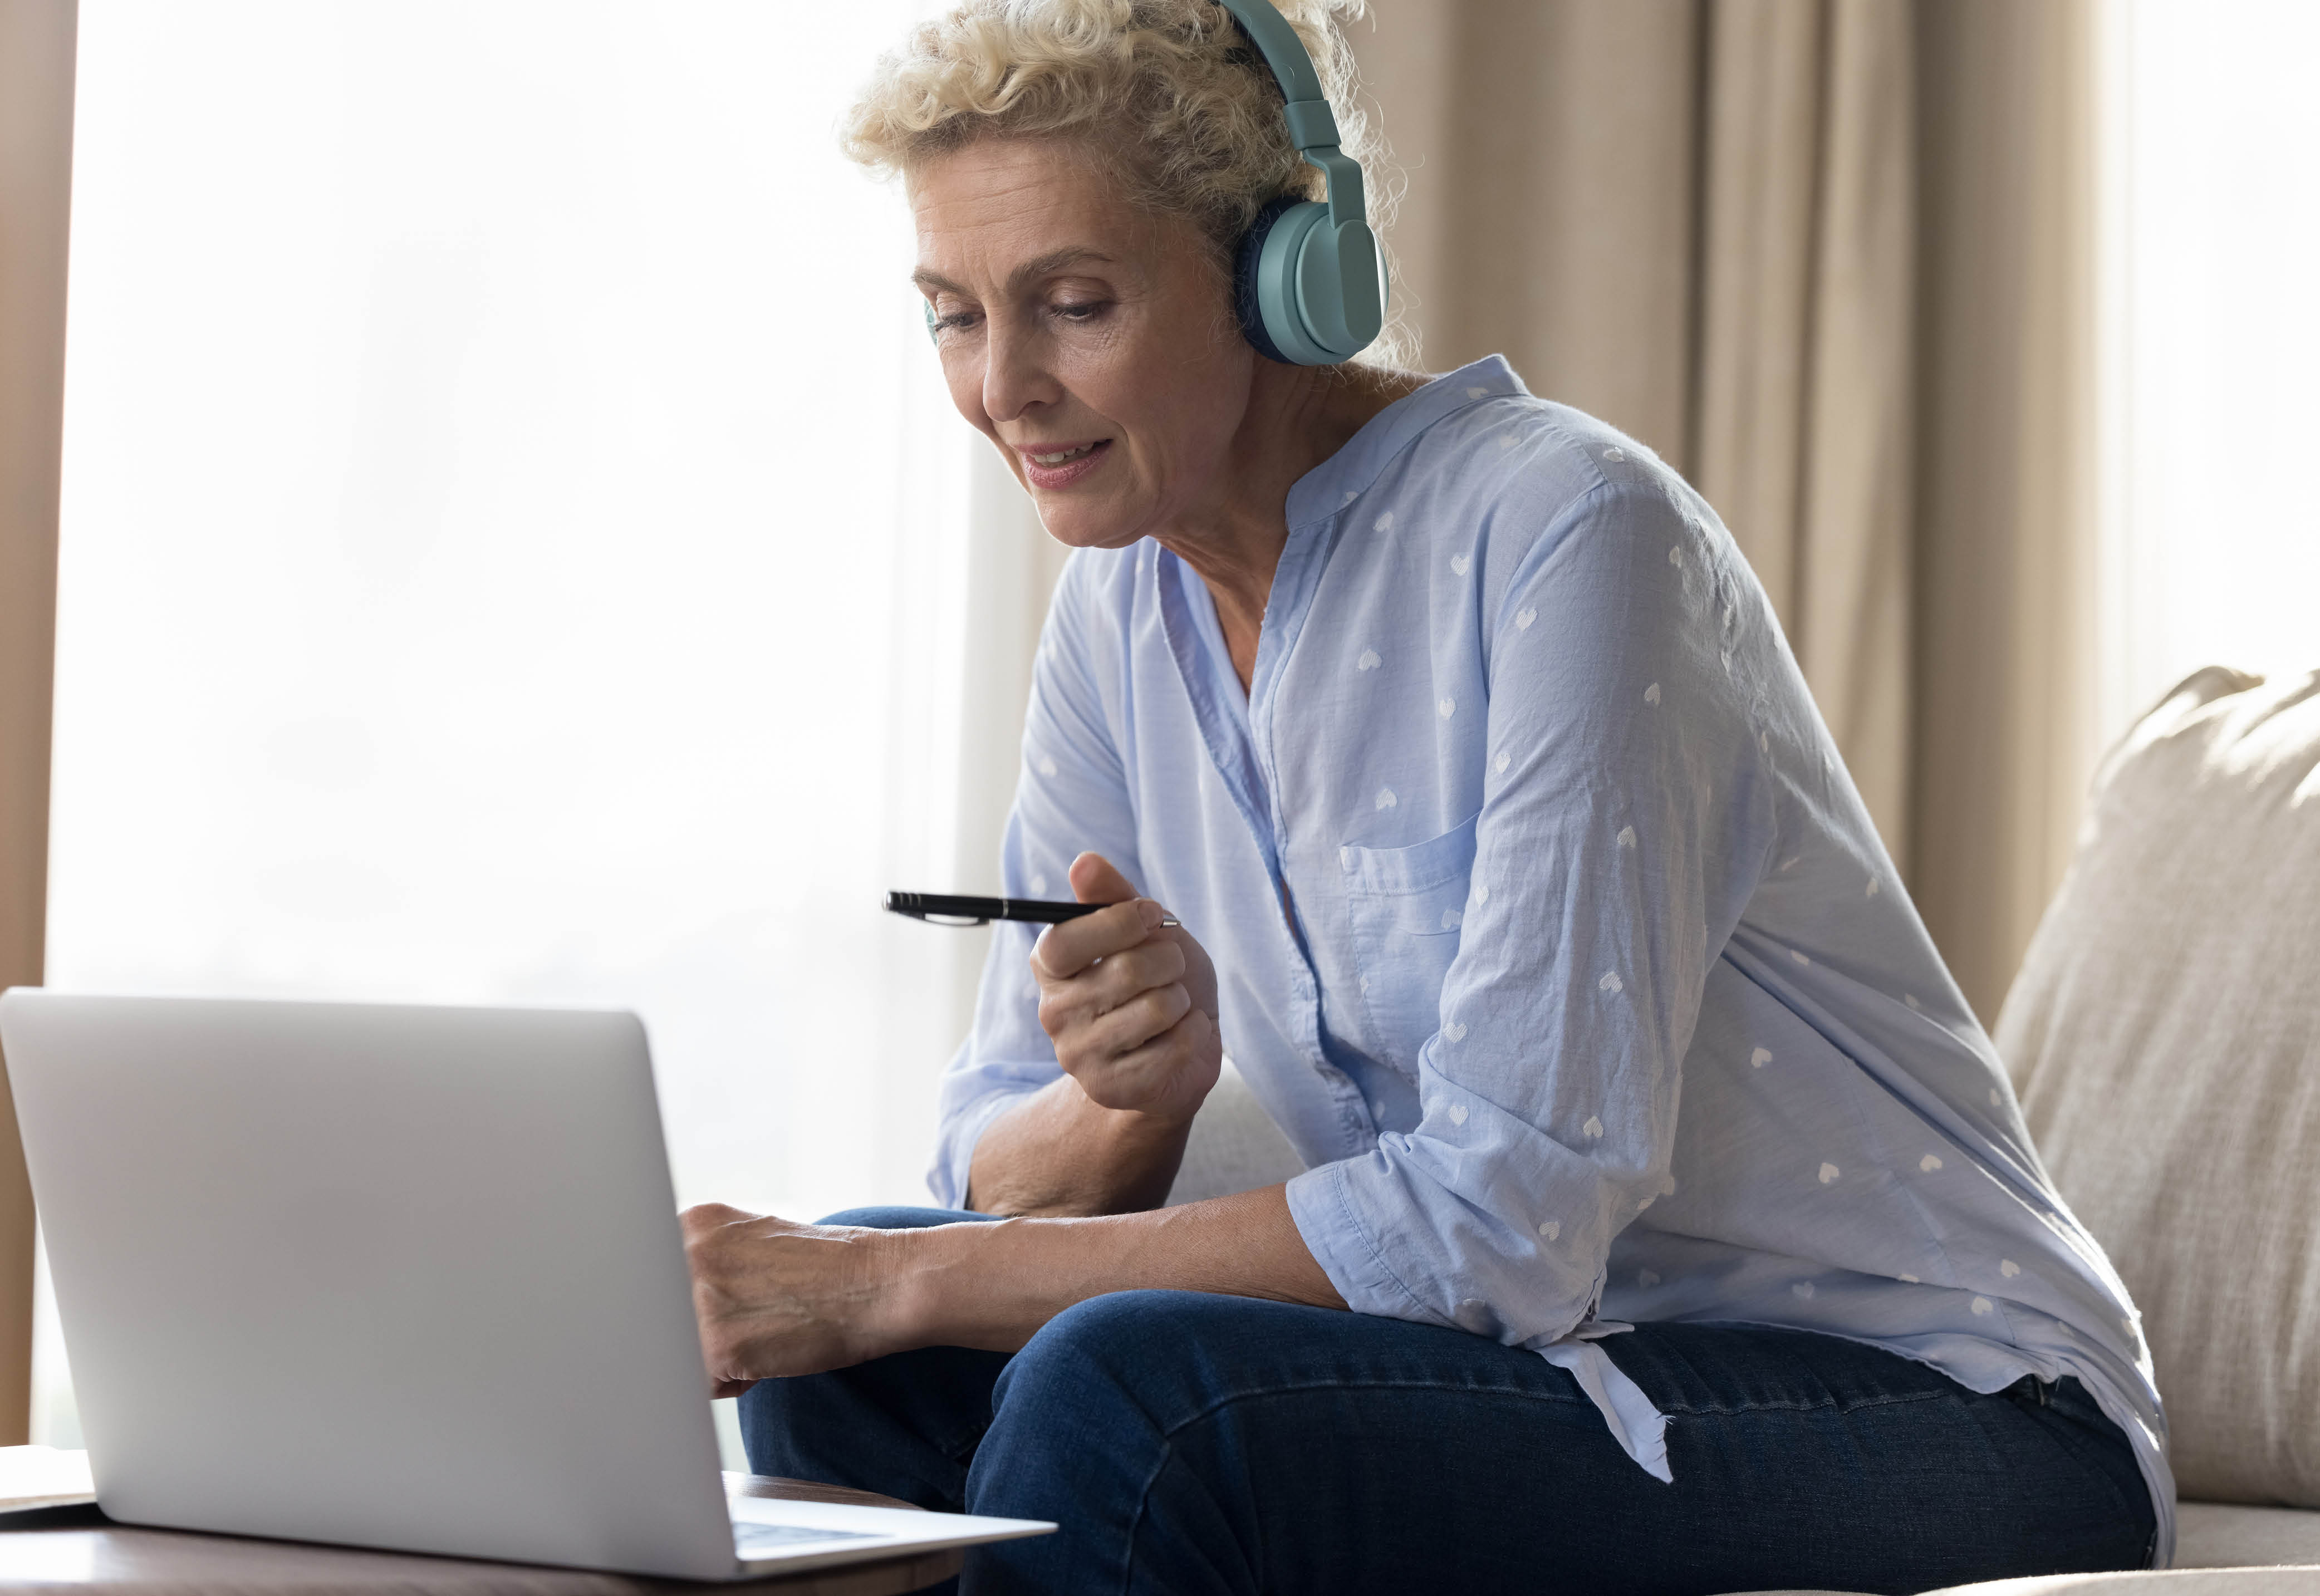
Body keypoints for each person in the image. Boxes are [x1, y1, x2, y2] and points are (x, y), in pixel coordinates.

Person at [679, 2, 2170, 1591]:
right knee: (847, 1352)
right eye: (954, 317)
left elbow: (1504, 1223)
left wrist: (893, 1286)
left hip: (1946, 1406)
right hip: (1557, 1367)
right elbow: (988, 1160)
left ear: (1280, 276)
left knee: (1119, 1394)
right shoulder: (1119, 614)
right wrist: (1125, 1108)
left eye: (1075, 303)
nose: (1007, 388)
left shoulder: (1571, 536)